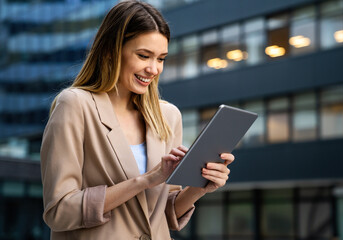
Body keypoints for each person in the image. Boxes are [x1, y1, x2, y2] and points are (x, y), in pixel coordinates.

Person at [40, 1, 235, 239]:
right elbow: (59, 211)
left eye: (161, 58)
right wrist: (144, 180)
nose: (154, 69)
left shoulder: (168, 116)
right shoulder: (75, 104)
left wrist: (200, 188)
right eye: (144, 56)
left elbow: (165, 210)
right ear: (111, 51)